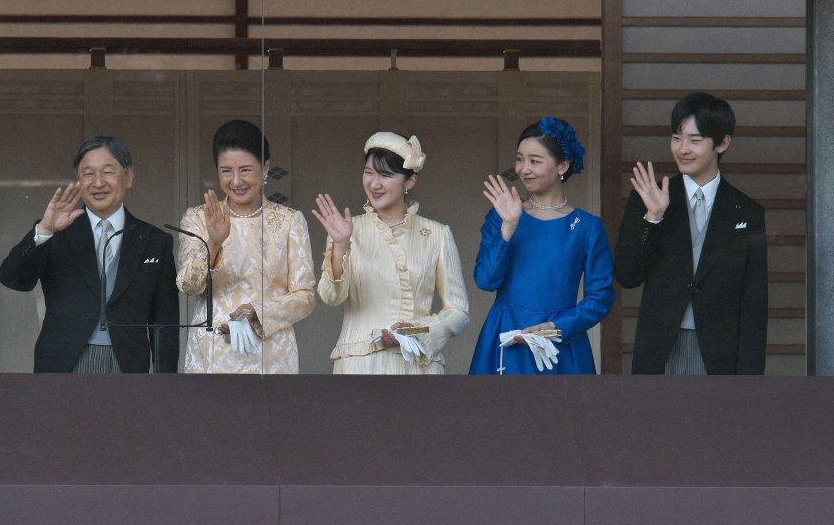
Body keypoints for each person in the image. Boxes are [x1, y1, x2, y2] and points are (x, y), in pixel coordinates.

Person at [0, 136, 179, 373]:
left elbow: (164, 321)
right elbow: (12, 279)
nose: (98, 182)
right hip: (63, 363)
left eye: (108, 172)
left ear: (129, 177)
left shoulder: (155, 241)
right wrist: (44, 231)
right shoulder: (56, 232)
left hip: (128, 365)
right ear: (79, 180)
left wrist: (165, 381)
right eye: (88, 174)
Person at [616, 93, 768, 374]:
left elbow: (754, 303)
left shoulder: (747, 212)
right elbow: (627, 275)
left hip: (721, 350)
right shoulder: (649, 198)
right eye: (676, 138)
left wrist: (750, 380)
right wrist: (653, 217)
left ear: (722, 143)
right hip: (661, 345)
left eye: (694, 140)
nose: (682, 149)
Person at [313, 132, 470, 374]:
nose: (374, 184)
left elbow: (458, 311)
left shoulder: (437, 234)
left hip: (418, 364)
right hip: (359, 364)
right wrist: (341, 245)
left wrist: (417, 331)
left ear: (410, 181)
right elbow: (331, 296)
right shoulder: (347, 230)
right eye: (368, 172)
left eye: (386, 175)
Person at [468, 117, 614, 375]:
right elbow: (485, 280)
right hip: (506, 334)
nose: (524, 169)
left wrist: (556, 328)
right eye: (519, 159)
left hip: (560, 340)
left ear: (562, 166)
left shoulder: (587, 226)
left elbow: (600, 298)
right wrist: (508, 226)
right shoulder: (503, 215)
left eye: (535, 161)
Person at [176, 120, 315, 374]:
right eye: (226, 171)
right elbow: (188, 285)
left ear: (265, 168)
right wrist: (214, 243)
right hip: (212, 353)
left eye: (246, 170)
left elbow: (305, 297)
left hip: (271, 354)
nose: (236, 181)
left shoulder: (289, 221)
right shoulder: (198, 218)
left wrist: (258, 312)